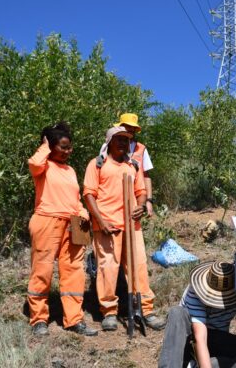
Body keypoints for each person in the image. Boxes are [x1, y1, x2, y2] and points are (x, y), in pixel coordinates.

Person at [83, 126, 164, 331]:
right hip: (107, 226)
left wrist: (140, 205)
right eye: (119, 139)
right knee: (107, 269)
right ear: (109, 141)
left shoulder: (132, 166)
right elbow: (89, 195)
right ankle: (109, 312)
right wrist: (100, 221)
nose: (123, 143)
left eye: (126, 140)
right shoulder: (97, 164)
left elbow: (141, 191)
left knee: (139, 267)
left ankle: (146, 310)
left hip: (132, 226)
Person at [26, 122, 97, 337]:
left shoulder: (70, 170)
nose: (69, 151)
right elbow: (34, 162)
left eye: (70, 147)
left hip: (74, 223)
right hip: (46, 221)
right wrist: (44, 146)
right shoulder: (42, 166)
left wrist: (83, 215)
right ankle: (38, 319)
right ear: (50, 146)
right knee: (42, 271)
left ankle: (74, 319)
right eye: (63, 147)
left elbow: (75, 199)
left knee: (74, 272)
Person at [158, 261, 236, 368]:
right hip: (189, 338)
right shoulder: (194, 292)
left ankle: (200, 364)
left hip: (216, 337)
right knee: (177, 312)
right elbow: (200, 338)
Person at [114, 113, 156, 217]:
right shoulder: (110, 145)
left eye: (133, 127)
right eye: (128, 126)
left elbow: (146, 175)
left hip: (136, 197)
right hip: (113, 195)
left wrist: (149, 201)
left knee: (134, 227)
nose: (131, 129)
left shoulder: (141, 148)